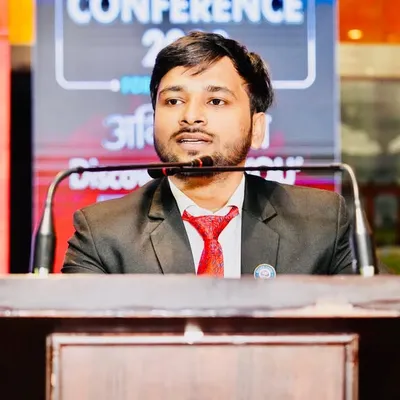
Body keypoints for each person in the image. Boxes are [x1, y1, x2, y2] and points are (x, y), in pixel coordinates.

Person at [62, 31, 356, 276]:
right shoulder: (102, 233)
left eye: (215, 101)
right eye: (173, 101)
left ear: (257, 128)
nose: (191, 116)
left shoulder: (320, 222)